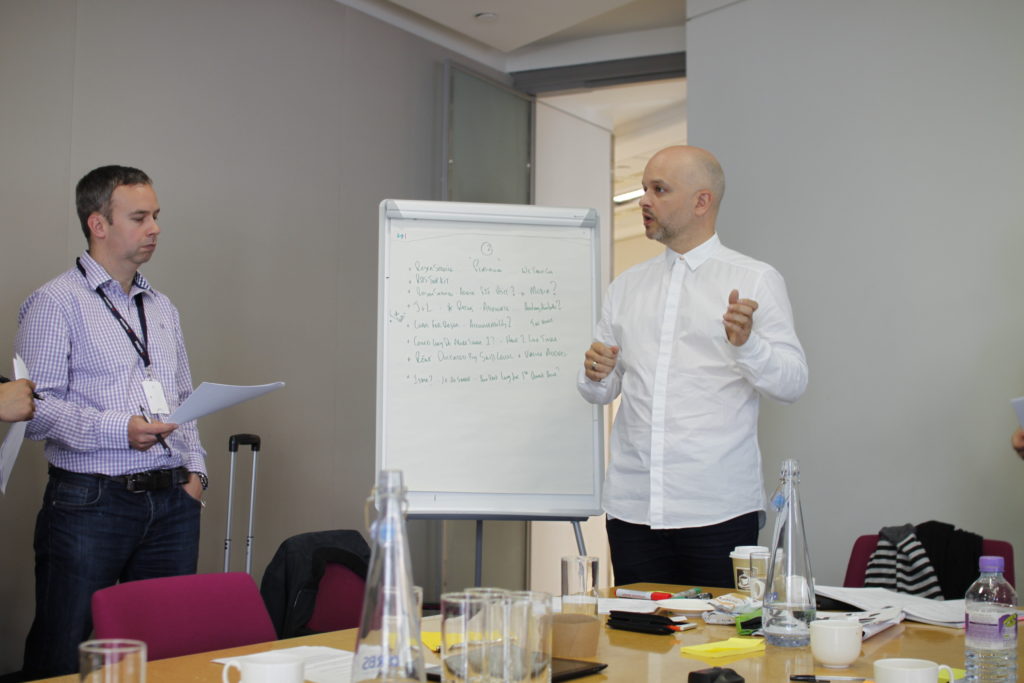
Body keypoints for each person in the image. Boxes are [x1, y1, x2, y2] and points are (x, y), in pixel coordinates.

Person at [578, 146, 808, 588]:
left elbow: (793, 382)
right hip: (633, 509)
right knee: (638, 631)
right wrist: (595, 373)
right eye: (644, 188)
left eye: (659, 189)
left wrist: (748, 345)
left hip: (718, 511)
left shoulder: (754, 279)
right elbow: (602, 390)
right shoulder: (626, 287)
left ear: (702, 202)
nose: (645, 200)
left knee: (720, 633)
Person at [16, 165, 208, 678]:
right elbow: (35, 410)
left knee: (167, 650)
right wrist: (119, 429)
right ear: (98, 224)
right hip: (91, 502)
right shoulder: (55, 302)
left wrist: (196, 473)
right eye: (139, 218)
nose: (155, 229)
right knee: (65, 650)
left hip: (172, 502)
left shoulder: (162, 307)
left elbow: (183, 398)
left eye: (156, 216)